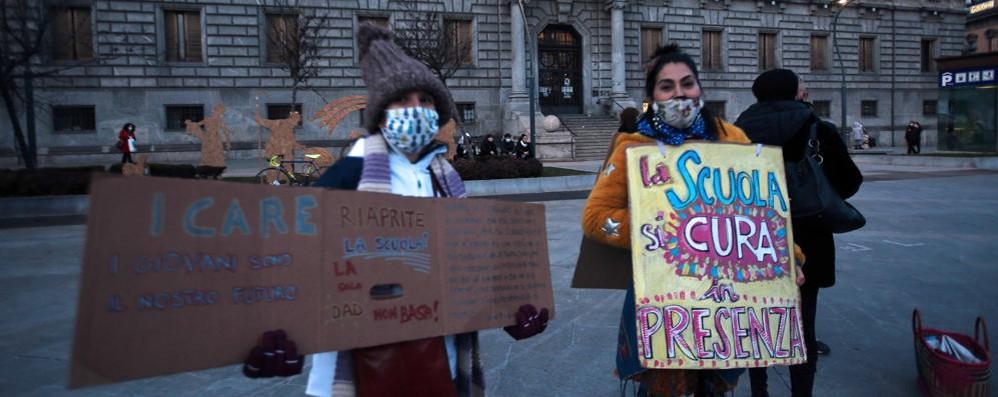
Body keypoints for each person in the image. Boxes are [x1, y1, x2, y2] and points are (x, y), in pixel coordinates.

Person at [243, 23, 549, 397]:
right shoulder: (348, 174)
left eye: (425, 100)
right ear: (381, 113)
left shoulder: (446, 179)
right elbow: (295, 261)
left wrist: (511, 311)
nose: (416, 109)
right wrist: (275, 332)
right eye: (402, 100)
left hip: (444, 368)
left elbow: (471, 265)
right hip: (363, 375)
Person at [582, 44, 801, 397]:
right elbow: (595, 218)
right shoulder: (633, 147)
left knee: (713, 385)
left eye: (687, 83)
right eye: (666, 87)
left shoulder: (733, 138)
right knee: (663, 386)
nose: (679, 93)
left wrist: (791, 256)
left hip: (726, 294)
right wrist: (662, 232)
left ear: (700, 87)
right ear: (652, 96)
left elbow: (762, 212)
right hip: (664, 291)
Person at [735, 68, 863, 397]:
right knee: (804, 324)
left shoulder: (736, 132)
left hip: (755, 240)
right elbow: (849, 183)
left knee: (759, 321)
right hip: (811, 237)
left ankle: (759, 391)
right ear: (794, 92)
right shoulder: (819, 129)